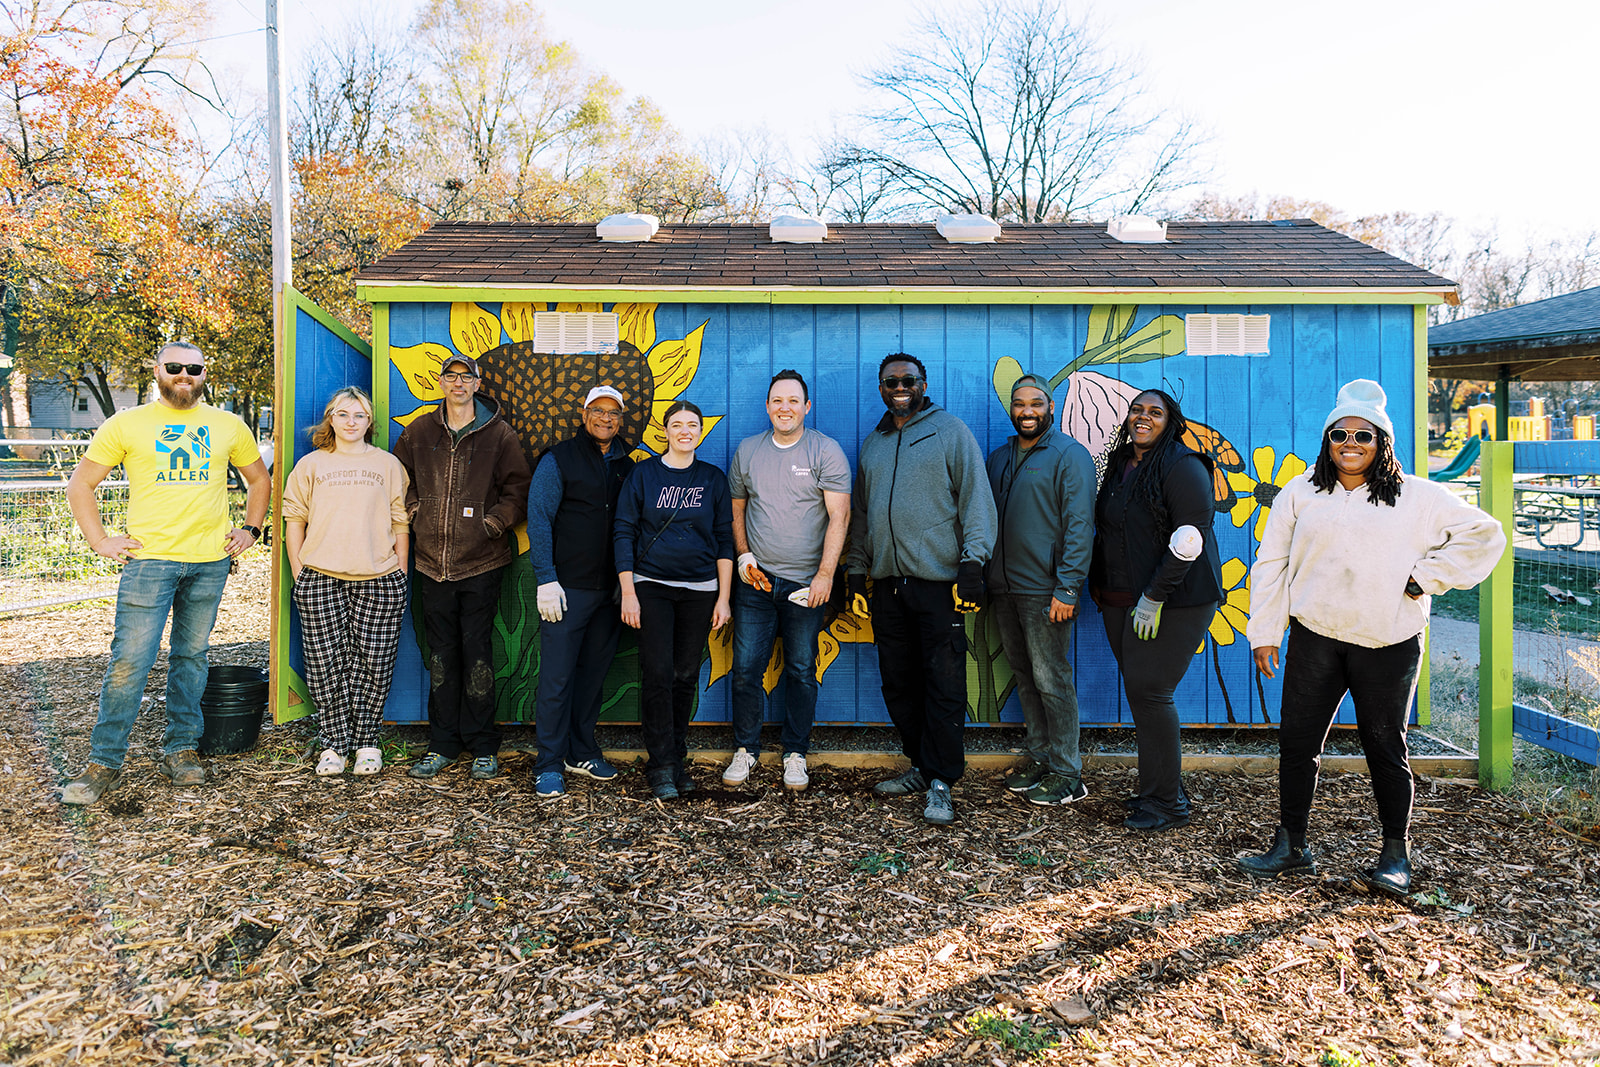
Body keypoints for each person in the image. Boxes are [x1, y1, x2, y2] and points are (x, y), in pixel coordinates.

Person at [1237, 380, 1505, 895]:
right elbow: (1270, 564)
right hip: (1317, 636)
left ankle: (1395, 853)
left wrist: (1427, 578)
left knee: (1385, 745)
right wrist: (1265, 632)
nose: (1351, 443)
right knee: (1297, 743)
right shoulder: (1301, 492)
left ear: (1383, 442)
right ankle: (1291, 844)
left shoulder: (1419, 497)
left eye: (1365, 434)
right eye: (1340, 434)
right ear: (1327, 440)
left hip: (1388, 640)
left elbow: (1484, 534)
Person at [60, 342, 269, 805]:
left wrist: (251, 529)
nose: (184, 375)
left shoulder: (227, 425)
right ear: (157, 371)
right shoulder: (127, 424)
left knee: (192, 658)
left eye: (193, 368)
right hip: (149, 562)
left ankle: (182, 749)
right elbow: (81, 484)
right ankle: (104, 762)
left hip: (209, 562)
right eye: (175, 367)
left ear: (204, 373)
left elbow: (259, 479)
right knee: (131, 660)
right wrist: (100, 541)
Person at [847, 354, 997, 826]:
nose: (900, 387)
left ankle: (942, 781)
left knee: (944, 684)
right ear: (881, 387)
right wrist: (856, 568)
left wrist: (973, 562)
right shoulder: (874, 443)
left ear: (923, 384)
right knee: (898, 681)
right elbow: (862, 514)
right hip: (889, 584)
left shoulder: (949, 431)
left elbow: (976, 499)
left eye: (908, 380)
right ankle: (919, 764)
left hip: (940, 585)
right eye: (891, 381)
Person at [1089, 388, 1223, 832]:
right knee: (1142, 696)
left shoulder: (1183, 465)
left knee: (1151, 693)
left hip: (1175, 599)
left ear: (1171, 421)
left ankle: (1167, 804)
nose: (1143, 417)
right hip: (1120, 599)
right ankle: (1158, 788)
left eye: (1155, 412)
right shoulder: (1123, 462)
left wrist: (1154, 597)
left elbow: (1191, 539)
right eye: (1136, 410)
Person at [394, 354, 531, 781]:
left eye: (465, 377)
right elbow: (399, 478)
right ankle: (442, 745)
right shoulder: (419, 431)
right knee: (441, 655)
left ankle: (483, 745)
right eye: (450, 377)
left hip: (481, 562)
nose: (458, 384)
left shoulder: (499, 434)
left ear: (477, 384)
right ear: (440, 383)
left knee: (477, 655)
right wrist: (414, 509)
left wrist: (494, 523)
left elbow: (519, 488)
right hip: (431, 564)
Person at [723, 370, 851, 792]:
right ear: (767, 406)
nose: (785, 407)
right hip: (756, 586)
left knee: (799, 669)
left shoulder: (825, 451)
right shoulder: (748, 451)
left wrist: (825, 576)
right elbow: (737, 509)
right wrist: (743, 556)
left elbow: (840, 517)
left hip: (804, 588)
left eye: (793, 401)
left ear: (807, 406)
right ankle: (746, 748)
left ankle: (795, 752)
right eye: (777, 400)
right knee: (745, 670)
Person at [283, 386, 411, 777]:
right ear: (331, 419)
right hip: (320, 576)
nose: (351, 422)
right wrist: (299, 572)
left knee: (374, 662)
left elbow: (400, 520)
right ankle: (333, 745)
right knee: (325, 663)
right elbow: (294, 519)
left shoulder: (387, 465)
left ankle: (367, 742)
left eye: (359, 415)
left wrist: (401, 573)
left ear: (369, 421)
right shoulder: (311, 465)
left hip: (379, 577)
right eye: (343, 415)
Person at [614, 400, 734, 800]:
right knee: (658, 674)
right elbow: (623, 532)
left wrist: (724, 599)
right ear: (664, 431)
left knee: (685, 674)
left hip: (700, 591)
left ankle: (677, 757)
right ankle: (660, 764)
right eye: (677, 424)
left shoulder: (713, 479)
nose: (685, 431)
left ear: (700, 432)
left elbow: (723, 540)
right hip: (651, 587)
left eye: (692, 425)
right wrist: (629, 592)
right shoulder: (644, 474)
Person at [986, 374, 1096, 806]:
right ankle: (1039, 756)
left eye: (1035, 403)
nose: (1027, 411)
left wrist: (1068, 588)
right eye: (1019, 404)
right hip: (1005, 588)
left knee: (1052, 678)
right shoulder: (1000, 457)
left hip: (1046, 590)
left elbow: (1079, 525)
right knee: (1026, 678)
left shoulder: (1069, 455)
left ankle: (1068, 770)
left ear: (1050, 406)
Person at [525, 385, 636, 799]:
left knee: (592, 677)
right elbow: (538, 518)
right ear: (584, 413)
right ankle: (549, 763)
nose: (605, 418)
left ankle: (580, 750)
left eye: (613, 413)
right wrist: (545, 578)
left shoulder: (628, 464)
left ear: (621, 419)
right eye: (598, 410)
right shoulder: (559, 460)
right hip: (566, 589)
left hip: (611, 591)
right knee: (556, 679)